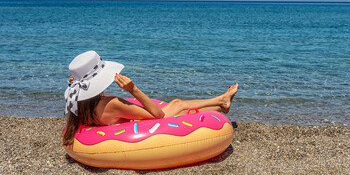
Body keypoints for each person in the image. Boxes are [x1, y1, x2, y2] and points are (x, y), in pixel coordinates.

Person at [63, 51, 238, 146]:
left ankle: (221, 102)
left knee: (179, 106)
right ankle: (222, 101)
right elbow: (158, 115)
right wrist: (133, 90)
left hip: (110, 122)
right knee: (178, 105)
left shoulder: (78, 102)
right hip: (135, 127)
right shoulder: (110, 104)